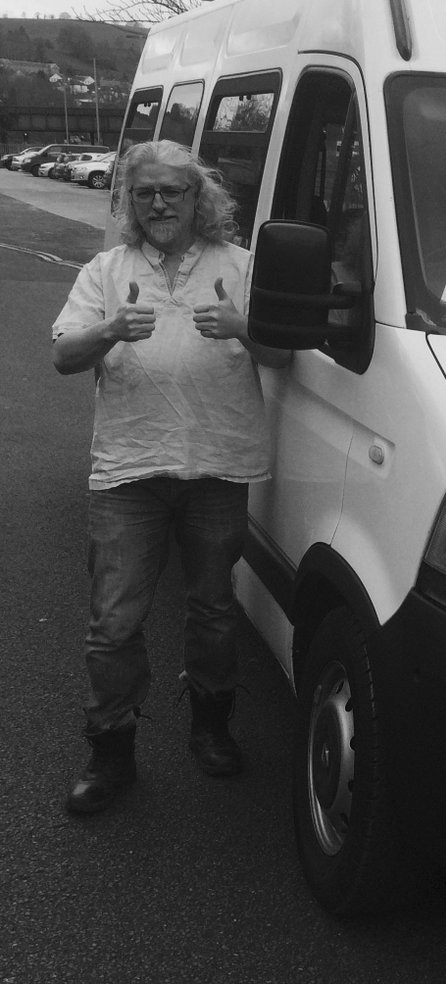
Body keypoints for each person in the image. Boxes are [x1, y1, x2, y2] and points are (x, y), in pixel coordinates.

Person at [51, 139, 291, 815]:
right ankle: (109, 750)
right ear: (129, 200)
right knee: (114, 623)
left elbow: (283, 355)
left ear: (198, 198)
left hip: (218, 466)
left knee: (214, 612)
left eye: (173, 191)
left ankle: (211, 730)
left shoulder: (242, 268)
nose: (159, 203)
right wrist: (109, 329)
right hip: (128, 472)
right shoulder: (105, 269)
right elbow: (65, 357)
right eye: (145, 192)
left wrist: (243, 326)